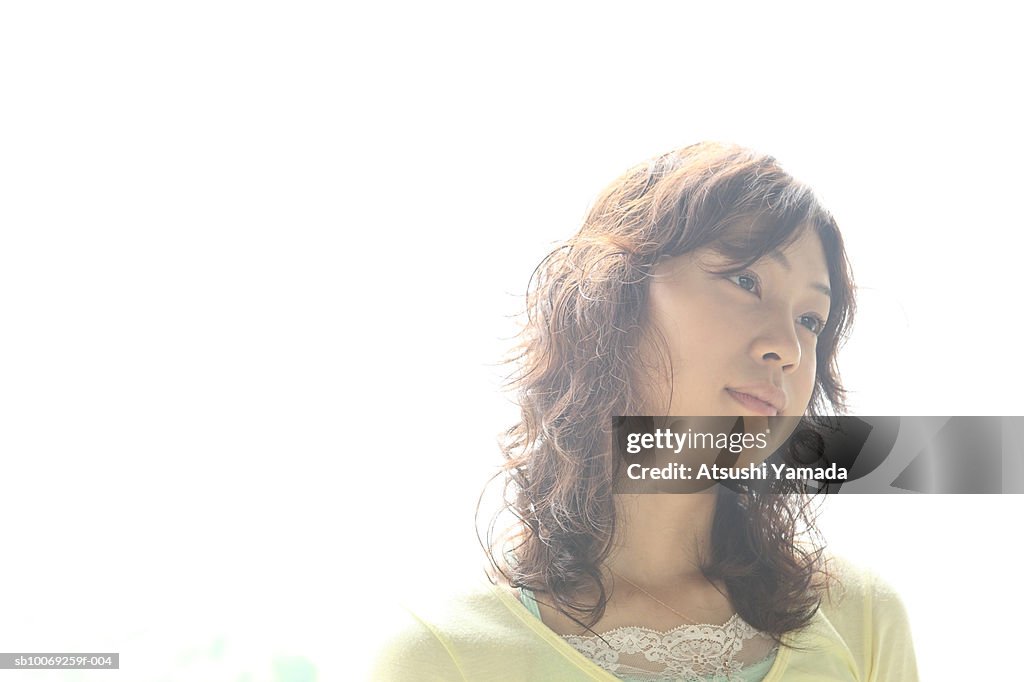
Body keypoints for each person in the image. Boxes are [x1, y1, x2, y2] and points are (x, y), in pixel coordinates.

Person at [371, 142, 918, 681]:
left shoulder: (861, 619)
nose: (789, 348)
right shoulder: (445, 655)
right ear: (614, 296)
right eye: (746, 280)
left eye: (811, 320)